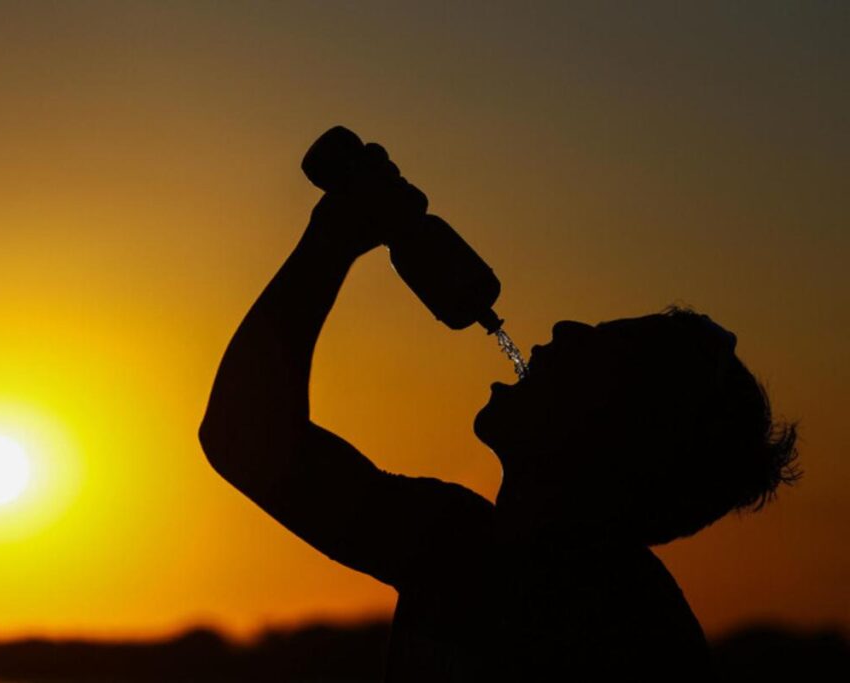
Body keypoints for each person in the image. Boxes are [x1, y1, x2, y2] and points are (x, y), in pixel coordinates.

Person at [197, 136, 801, 680]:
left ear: (619, 437)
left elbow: (244, 439)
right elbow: (245, 438)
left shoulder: (564, 601)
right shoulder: (481, 551)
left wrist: (330, 245)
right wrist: (331, 238)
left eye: (599, 345)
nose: (566, 328)